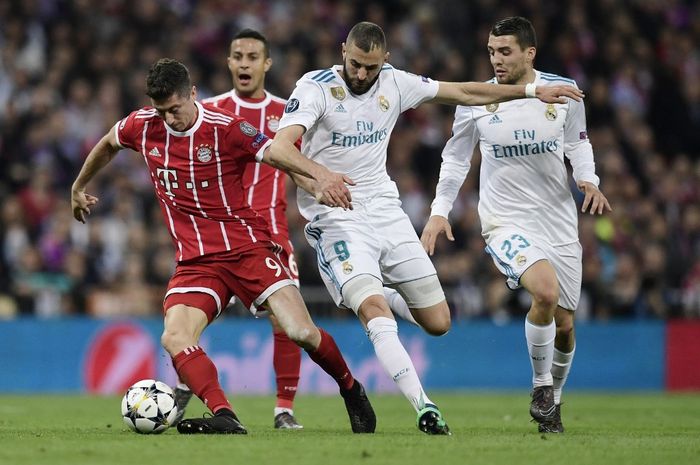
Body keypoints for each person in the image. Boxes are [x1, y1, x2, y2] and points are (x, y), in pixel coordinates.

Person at [268, 21, 583, 435]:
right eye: (356, 64)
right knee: (373, 312)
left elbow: (466, 92)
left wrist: (528, 91)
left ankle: (385, 296)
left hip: (385, 210)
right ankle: (424, 406)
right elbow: (277, 147)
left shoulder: (396, 84)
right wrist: (320, 176)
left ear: (386, 61)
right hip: (335, 217)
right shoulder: (317, 87)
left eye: (371, 68)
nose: (362, 75)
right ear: (343, 50)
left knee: (438, 322)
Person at [71, 58, 376, 435]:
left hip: (247, 249)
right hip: (196, 262)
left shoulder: (226, 128)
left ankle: (351, 388)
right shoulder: (143, 125)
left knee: (300, 332)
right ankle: (226, 415)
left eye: (175, 110)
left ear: (193, 95)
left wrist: (320, 175)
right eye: (162, 111)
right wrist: (78, 187)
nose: (169, 119)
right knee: (174, 336)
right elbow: (107, 143)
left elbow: (277, 153)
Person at [421, 16, 611, 433]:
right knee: (543, 290)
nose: (496, 59)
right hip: (505, 219)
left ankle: (553, 404)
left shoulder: (562, 92)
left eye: (505, 51)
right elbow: (455, 159)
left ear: (530, 53)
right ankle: (541, 385)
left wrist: (588, 179)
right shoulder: (477, 98)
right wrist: (439, 210)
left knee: (564, 324)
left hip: (558, 219)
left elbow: (578, 142)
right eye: (491, 51)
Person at [167, 29, 305, 430]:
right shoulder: (205, 110)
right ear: (228, 62)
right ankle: (184, 384)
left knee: (286, 322)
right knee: (194, 316)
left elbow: (303, 166)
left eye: (252, 56)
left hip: (272, 234)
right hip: (217, 235)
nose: (244, 63)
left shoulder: (290, 114)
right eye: (237, 56)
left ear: (267, 64)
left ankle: (284, 409)